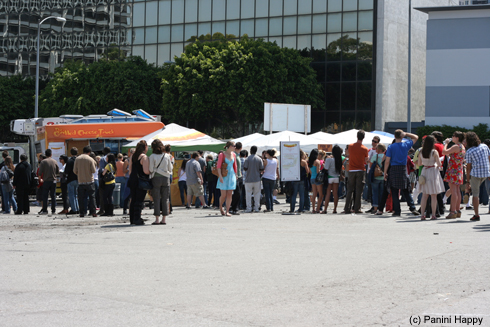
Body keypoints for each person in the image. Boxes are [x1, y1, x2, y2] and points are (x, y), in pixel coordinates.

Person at [384, 129, 419, 217]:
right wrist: (406, 134)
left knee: (394, 191)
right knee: (406, 190)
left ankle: (397, 211)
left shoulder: (391, 147)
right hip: (403, 169)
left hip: (394, 169)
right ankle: (412, 208)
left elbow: (387, 161)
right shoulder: (406, 145)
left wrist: (385, 172)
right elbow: (416, 137)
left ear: (394, 136)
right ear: (402, 136)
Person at [416, 136, 445, 220]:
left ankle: (422, 215)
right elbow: (439, 164)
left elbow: (420, 163)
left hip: (425, 171)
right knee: (433, 195)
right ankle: (433, 215)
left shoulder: (421, 151)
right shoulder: (434, 152)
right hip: (433, 171)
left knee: (424, 195)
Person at [465, 132, 490, 221]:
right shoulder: (485, 146)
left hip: (476, 173)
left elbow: (468, 168)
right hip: (486, 172)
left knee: (475, 194)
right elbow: (489, 159)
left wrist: (467, 181)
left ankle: (476, 215)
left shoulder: (469, 151)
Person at [342, 130, 369, 214]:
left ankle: (347, 208)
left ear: (357, 136)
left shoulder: (350, 146)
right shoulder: (365, 148)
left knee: (350, 190)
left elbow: (347, 154)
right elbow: (366, 160)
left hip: (351, 170)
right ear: (363, 137)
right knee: (358, 190)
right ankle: (357, 208)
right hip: (360, 170)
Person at [149, 139, 173, 225]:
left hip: (156, 178)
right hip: (166, 178)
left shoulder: (152, 156)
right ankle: (164, 219)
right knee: (165, 198)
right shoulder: (167, 156)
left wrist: (156, 169)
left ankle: (157, 219)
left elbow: (151, 169)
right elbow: (170, 169)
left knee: (156, 198)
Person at [442, 131, 465, 219]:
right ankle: (457, 210)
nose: (452, 137)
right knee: (457, 190)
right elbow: (450, 154)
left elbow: (444, 152)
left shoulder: (456, 146)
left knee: (453, 191)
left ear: (457, 138)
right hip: (458, 170)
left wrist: (446, 144)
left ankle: (452, 211)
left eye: (453, 136)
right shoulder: (462, 146)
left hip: (453, 170)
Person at [128, 140, 150, 225]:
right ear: (145, 147)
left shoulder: (132, 156)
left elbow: (130, 170)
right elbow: (146, 171)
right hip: (140, 181)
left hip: (132, 179)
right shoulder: (144, 157)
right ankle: (137, 218)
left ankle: (132, 219)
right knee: (139, 200)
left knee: (133, 199)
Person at [74, 146, 97, 217]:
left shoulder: (77, 159)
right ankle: (93, 212)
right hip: (90, 181)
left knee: (81, 198)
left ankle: (82, 212)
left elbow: (74, 171)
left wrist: (80, 174)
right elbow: (93, 170)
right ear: (89, 152)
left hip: (81, 181)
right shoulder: (90, 159)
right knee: (92, 197)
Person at [217, 141, 238, 216]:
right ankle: (220, 206)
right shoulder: (222, 154)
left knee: (229, 194)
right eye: (234, 145)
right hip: (224, 176)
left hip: (231, 175)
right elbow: (218, 166)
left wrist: (236, 174)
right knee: (223, 195)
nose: (235, 147)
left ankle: (227, 211)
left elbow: (235, 166)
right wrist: (220, 176)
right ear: (229, 146)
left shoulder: (234, 154)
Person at [322, 145, 343, 214]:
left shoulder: (329, 159)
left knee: (328, 193)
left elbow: (326, 168)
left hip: (329, 177)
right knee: (335, 194)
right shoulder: (339, 160)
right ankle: (335, 209)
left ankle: (325, 209)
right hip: (336, 177)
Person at [243, 145, 265, 213]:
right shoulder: (259, 159)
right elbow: (262, 168)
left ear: (250, 150)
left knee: (248, 194)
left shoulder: (247, 159)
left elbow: (245, 168)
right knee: (257, 194)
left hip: (248, 179)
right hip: (257, 179)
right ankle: (256, 208)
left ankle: (249, 208)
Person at [38, 149, 60, 215]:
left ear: (45, 154)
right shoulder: (54, 161)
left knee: (45, 196)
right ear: (51, 154)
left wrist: (40, 179)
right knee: (53, 196)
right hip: (53, 181)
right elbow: (57, 171)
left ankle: (45, 210)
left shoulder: (43, 162)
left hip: (46, 181)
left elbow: (39, 172)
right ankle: (53, 210)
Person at [369, 143, 386, 215]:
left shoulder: (375, 156)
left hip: (376, 177)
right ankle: (381, 208)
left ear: (379, 150)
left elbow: (370, 166)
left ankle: (375, 208)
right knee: (382, 193)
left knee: (375, 193)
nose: (375, 150)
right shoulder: (386, 156)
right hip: (383, 177)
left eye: (376, 148)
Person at [365, 136, 380, 213]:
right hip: (369, 172)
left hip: (376, 173)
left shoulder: (379, 152)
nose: (373, 142)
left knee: (376, 191)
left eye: (375, 141)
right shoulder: (369, 150)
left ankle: (377, 207)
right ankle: (373, 206)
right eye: (372, 141)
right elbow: (366, 162)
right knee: (370, 190)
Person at [307, 149, 323, 213]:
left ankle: (313, 209)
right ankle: (318, 208)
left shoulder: (309, 161)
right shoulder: (317, 161)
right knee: (321, 194)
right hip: (317, 178)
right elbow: (318, 171)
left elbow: (310, 172)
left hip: (312, 178)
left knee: (314, 194)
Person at [230, 142, 243, 214]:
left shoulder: (237, 155)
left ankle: (235, 207)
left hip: (239, 176)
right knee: (237, 193)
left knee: (239, 193)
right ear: (241, 148)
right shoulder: (234, 155)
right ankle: (233, 208)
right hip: (236, 176)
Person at [65, 147, 79, 214]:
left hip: (71, 179)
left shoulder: (69, 161)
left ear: (70, 153)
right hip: (78, 179)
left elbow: (66, 171)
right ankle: (77, 208)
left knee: (71, 195)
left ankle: (74, 209)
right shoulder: (79, 160)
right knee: (76, 195)